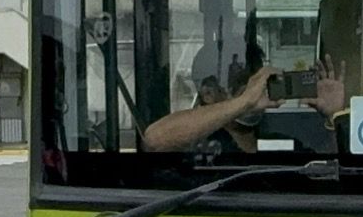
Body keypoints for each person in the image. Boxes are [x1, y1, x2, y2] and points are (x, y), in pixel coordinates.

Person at [140, 58, 347, 154]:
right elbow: (154, 140)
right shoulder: (195, 142)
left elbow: (329, 172)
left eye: (256, 82)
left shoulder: (279, 141)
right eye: (241, 84)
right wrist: (244, 102)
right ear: (209, 94)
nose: (255, 90)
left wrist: (335, 115)